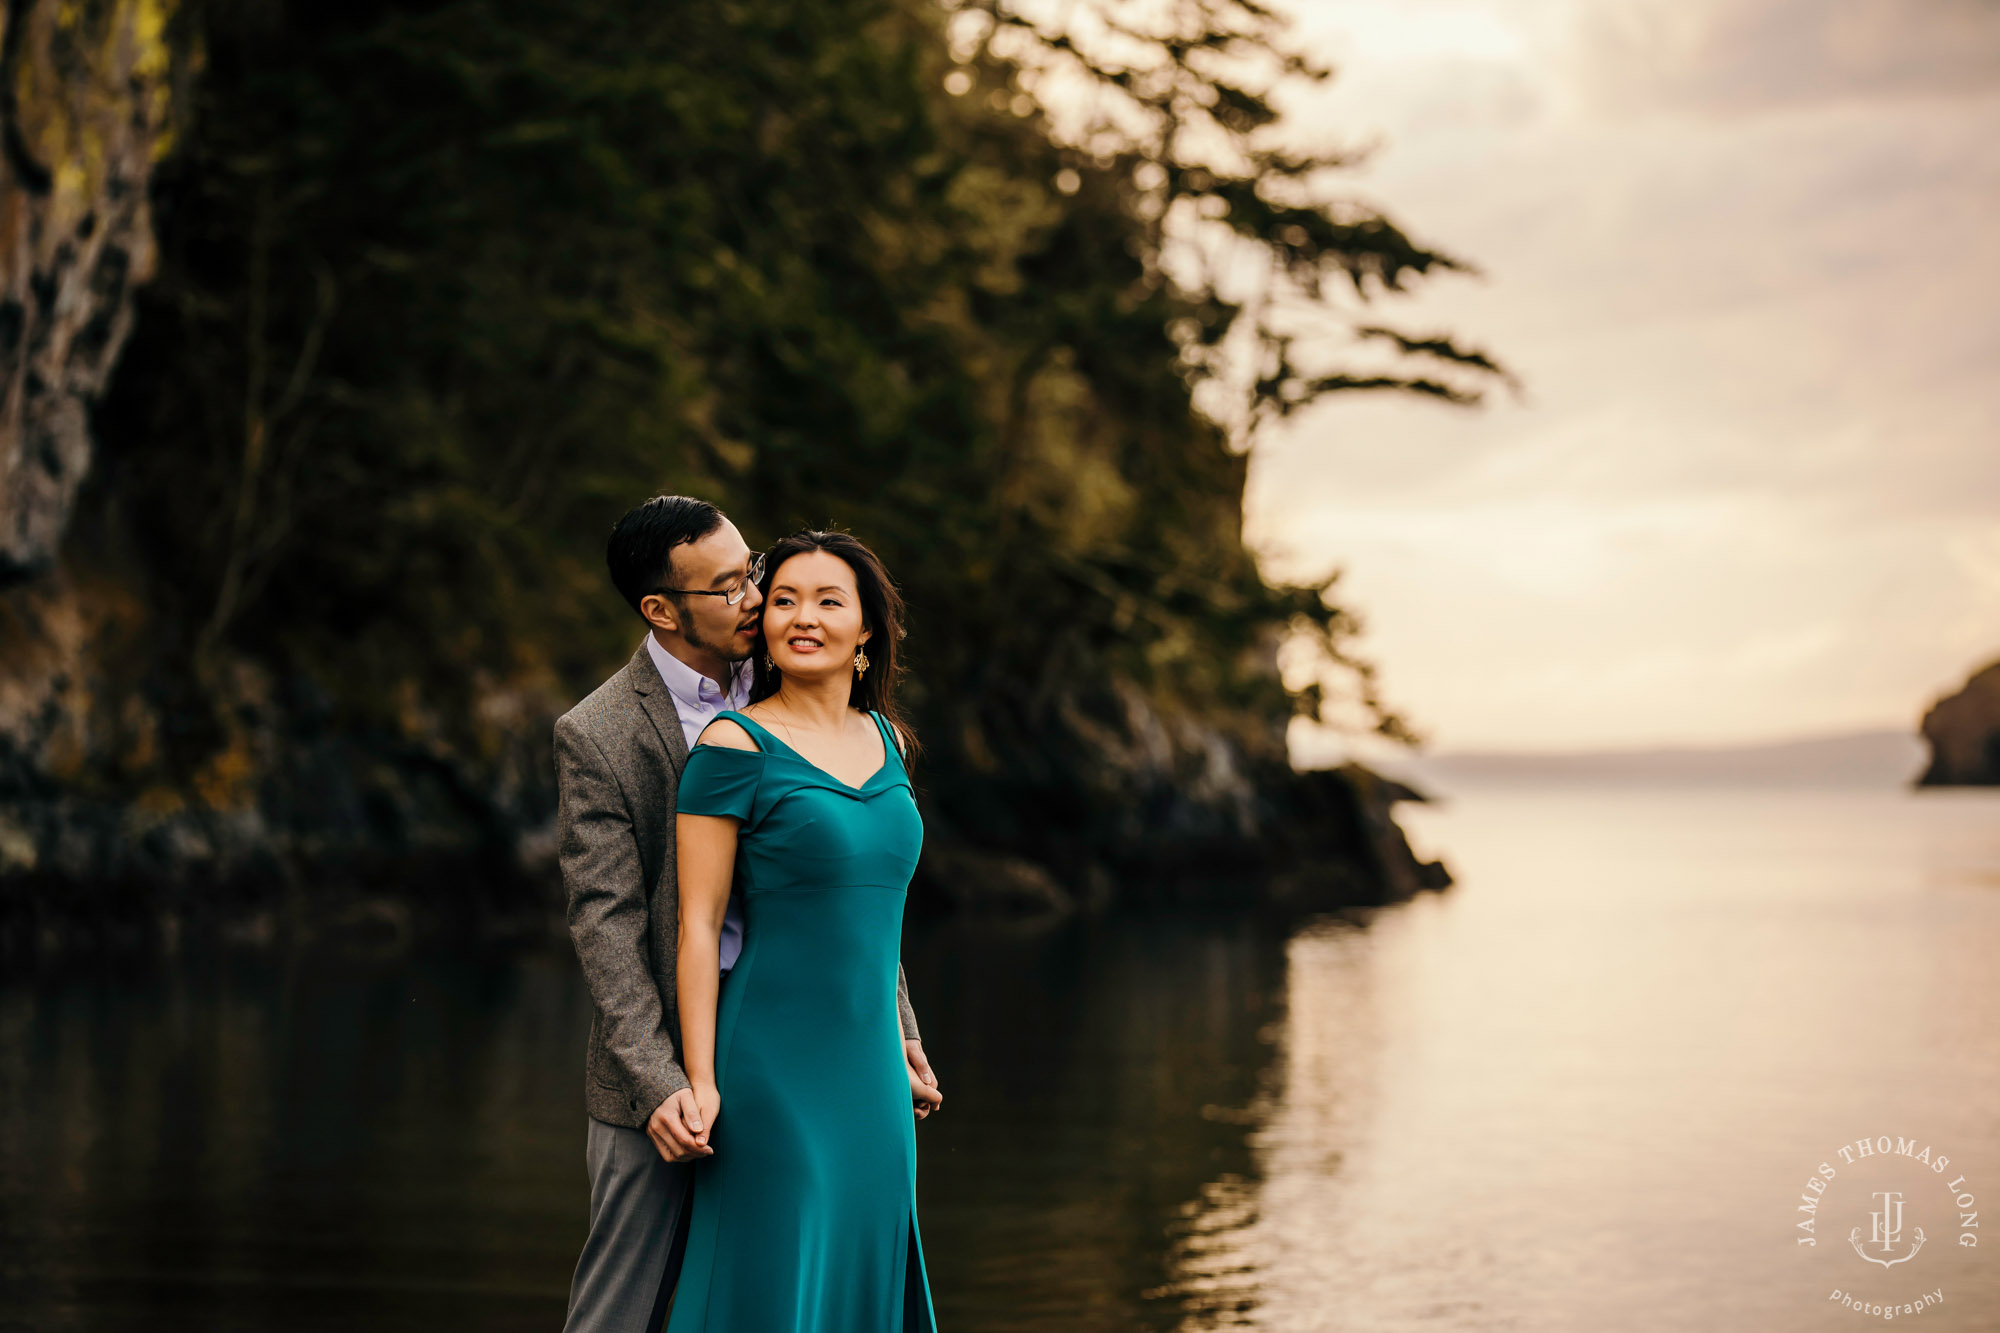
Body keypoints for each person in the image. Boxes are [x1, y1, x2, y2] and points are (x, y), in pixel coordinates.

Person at [556, 499, 940, 1333]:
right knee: (626, 1309)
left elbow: (848, 887)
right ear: (663, 609)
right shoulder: (601, 734)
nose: (762, 599)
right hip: (670, 1061)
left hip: (834, 1044)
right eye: (733, 586)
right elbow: (606, 925)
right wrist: (665, 1083)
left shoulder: (813, 688)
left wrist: (897, 1031)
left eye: (753, 570)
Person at [666, 529, 944, 1331]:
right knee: (775, 1278)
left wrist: (901, 1033)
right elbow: (698, 925)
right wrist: (702, 1079)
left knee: (863, 1272)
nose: (803, 616)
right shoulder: (733, 746)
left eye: (829, 600)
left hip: (874, 1079)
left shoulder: (888, 740)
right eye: (784, 599)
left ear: (867, 630)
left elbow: (867, 918)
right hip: (771, 1073)